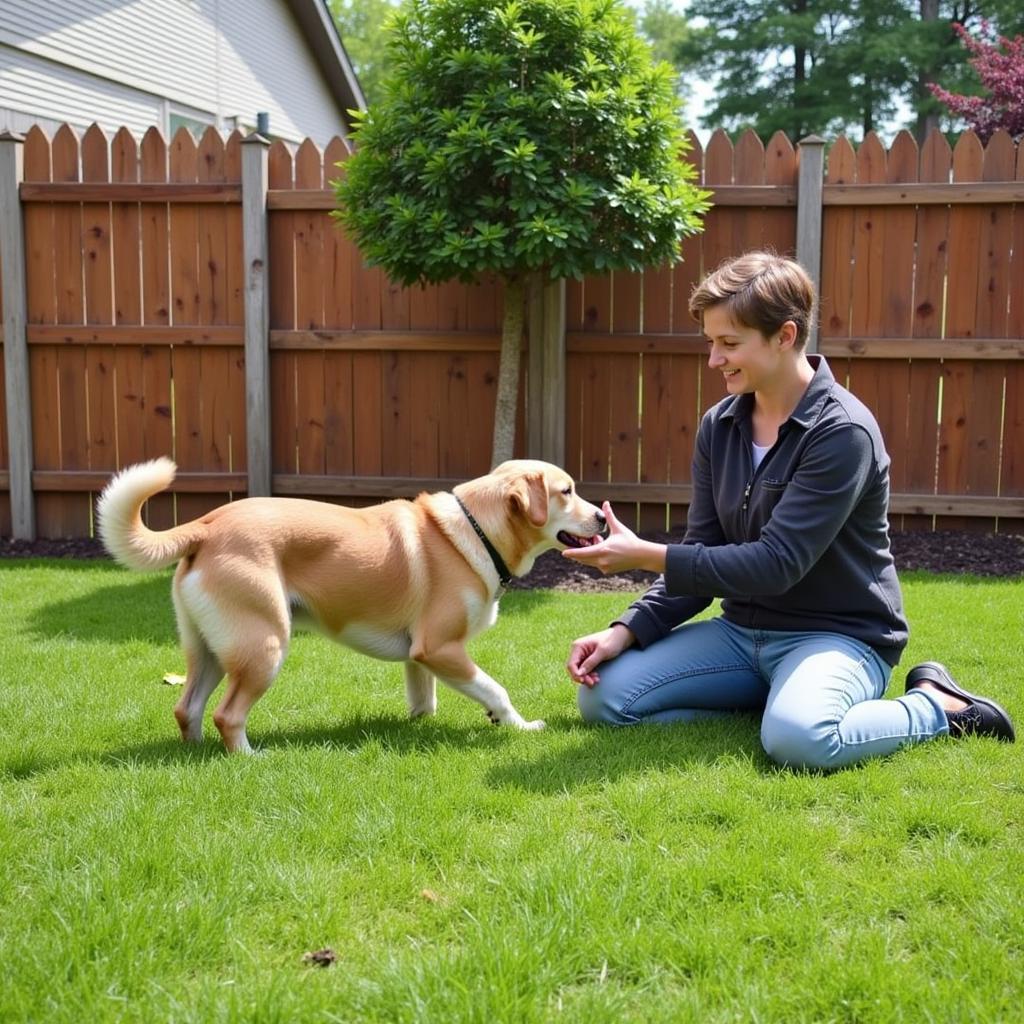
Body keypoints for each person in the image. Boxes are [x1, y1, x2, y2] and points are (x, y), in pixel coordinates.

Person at [563, 251, 1015, 770]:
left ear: (784, 335)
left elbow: (777, 564)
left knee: (802, 741)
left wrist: (646, 555)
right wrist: (625, 630)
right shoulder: (720, 425)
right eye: (710, 343)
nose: (714, 360)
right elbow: (703, 552)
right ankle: (778, 707)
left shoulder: (842, 432)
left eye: (729, 344)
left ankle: (939, 706)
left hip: (838, 636)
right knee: (603, 699)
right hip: (740, 636)